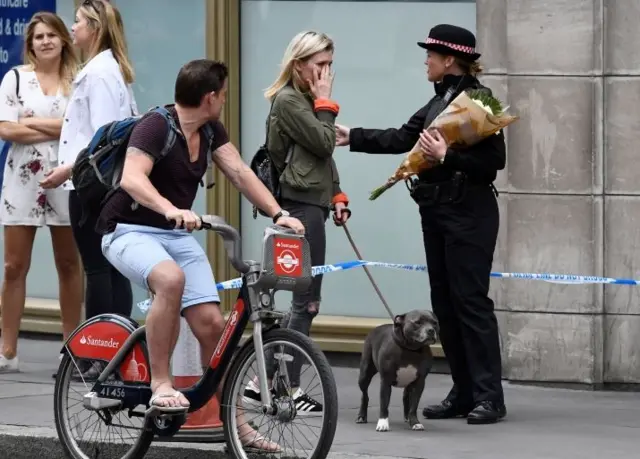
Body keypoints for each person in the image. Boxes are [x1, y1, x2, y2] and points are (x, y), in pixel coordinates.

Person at [97, 58, 305, 451]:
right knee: (169, 280)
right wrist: (170, 209)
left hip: (173, 234)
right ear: (210, 97)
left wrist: (280, 214)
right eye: (223, 95)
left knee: (212, 324)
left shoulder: (210, 130)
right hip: (127, 229)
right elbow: (131, 178)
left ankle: (236, 424)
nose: (224, 101)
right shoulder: (157, 125)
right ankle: (161, 383)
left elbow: (241, 172)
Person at [335, 24, 507, 425]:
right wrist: (352, 136)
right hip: (437, 212)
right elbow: (404, 137)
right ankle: (463, 392)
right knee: (445, 304)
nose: (425, 60)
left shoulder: (480, 101)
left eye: (430, 53)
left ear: (449, 59)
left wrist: (449, 156)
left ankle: (489, 397)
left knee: (471, 303)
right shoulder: (440, 100)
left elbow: (493, 164)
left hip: (469, 213)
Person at [241, 30, 351, 415]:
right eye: (319, 65)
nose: (325, 73)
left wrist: (336, 195)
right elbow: (324, 142)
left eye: (329, 66)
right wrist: (325, 102)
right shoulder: (290, 101)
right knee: (306, 302)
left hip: (313, 207)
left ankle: (265, 384)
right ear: (298, 64)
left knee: (308, 301)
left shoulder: (305, 100)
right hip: (299, 210)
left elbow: (322, 156)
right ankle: (281, 387)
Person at [41, 0, 138, 348]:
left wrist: (64, 170)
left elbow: (103, 139)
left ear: (95, 29)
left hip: (91, 186)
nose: (73, 27)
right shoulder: (111, 70)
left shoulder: (98, 74)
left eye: (79, 21)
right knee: (112, 270)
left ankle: (98, 352)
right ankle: (119, 347)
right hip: (109, 185)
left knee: (98, 270)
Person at [0, 12, 82, 373]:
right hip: (22, 178)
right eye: (38, 37)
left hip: (66, 176)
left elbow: (80, 128)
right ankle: (7, 350)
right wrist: (57, 129)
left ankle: (71, 348)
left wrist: (29, 121)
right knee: (14, 266)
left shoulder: (78, 80)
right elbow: (6, 130)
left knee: (68, 263)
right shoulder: (15, 78)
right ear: (30, 44)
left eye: (52, 35)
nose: (46, 41)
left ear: (64, 39)